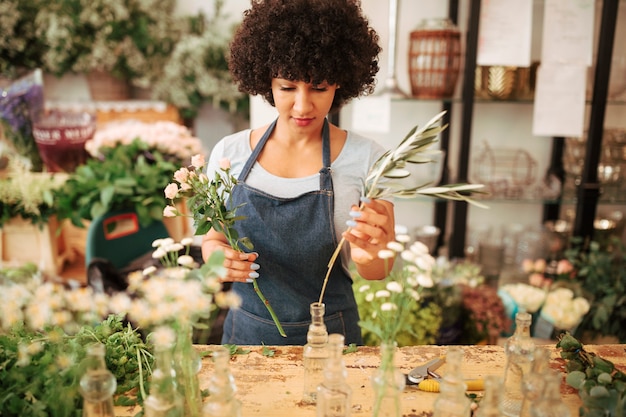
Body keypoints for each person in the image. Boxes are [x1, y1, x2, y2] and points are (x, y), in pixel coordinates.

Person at [202, 0, 395, 345]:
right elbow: (214, 238)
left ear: (341, 82)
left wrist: (372, 254)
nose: (304, 106)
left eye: (319, 87)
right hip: (246, 338)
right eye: (287, 87)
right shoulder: (229, 155)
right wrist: (218, 260)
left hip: (332, 340)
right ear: (266, 81)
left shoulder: (368, 160)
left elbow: (377, 272)